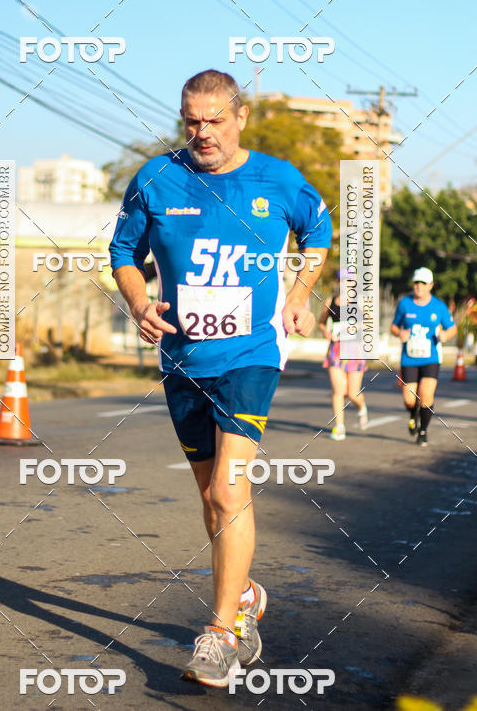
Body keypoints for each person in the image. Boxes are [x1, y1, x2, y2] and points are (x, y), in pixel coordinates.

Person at [109, 69, 331, 687]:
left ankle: (221, 634)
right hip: (183, 359)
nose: (202, 133)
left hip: (252, 355)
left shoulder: (277, 180)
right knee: (210, 498)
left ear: (241, 116)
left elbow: (318, 230)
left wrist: (301, 293)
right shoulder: (156, 178)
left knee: (231, 492)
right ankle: (244, 596)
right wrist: (137, 301)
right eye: (191, 121)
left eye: (213, 120)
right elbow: (123, 251)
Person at [390, 267, 456, 446]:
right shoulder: (405, 303)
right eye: (416, 282)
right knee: (409, 399)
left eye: (423, 283)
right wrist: (400, 333)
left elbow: (452, 328)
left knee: (426, 395)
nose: (419, 286)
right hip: (409, 358)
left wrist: (445, 336)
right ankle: (413, 414)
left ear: (431, 285)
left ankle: (423, 431)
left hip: (431, 357)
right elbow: (394, 326)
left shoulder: (438, 306)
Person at [318, 281, 368, 440]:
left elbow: (369, 324)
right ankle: (339, 426)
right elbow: (321, 323)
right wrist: (325, 331)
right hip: (336, 349)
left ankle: (361, 407)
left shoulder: (360, 301)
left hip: (355, 350)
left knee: (352, 393)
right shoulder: (331, 301)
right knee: (339, 390)